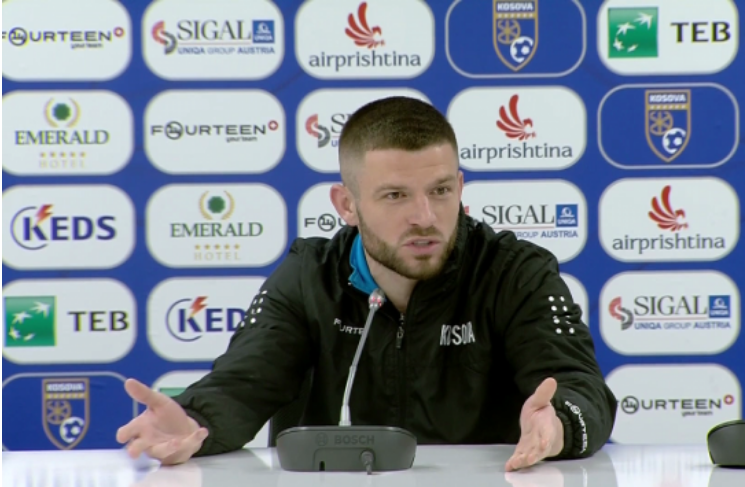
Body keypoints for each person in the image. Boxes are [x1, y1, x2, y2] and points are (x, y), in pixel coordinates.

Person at [116, 96, 617, 471]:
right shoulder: (309, 277)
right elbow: (242, 386)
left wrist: (558, 424)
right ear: (346, 205)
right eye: (395, 195)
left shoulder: (515, 272)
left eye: (441, 190)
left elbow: (581, 389)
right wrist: (195, 421)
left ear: (461, 187)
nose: (425, 217)